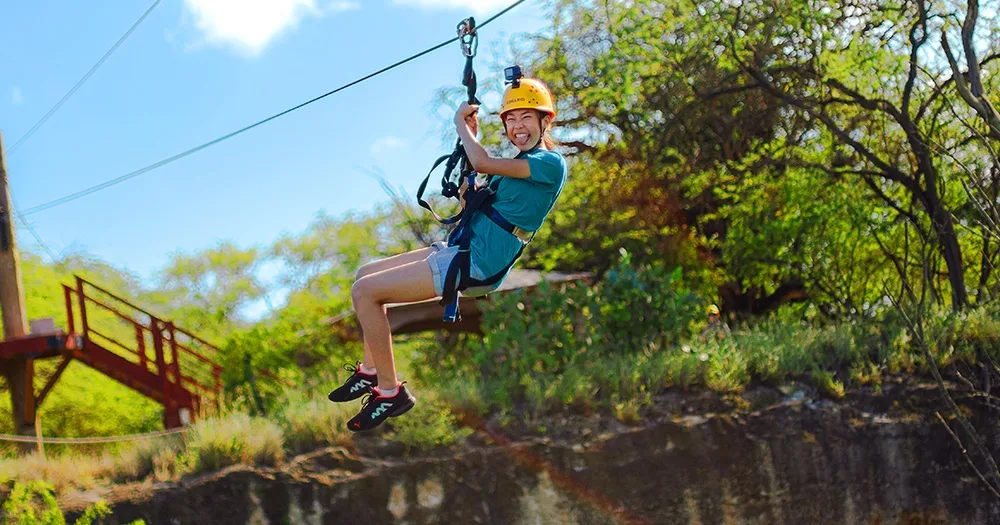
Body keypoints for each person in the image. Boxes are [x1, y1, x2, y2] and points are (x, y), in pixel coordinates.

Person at [327, 71, 568, 432]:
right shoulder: (515, 169)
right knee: (365, 275)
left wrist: (462, 126)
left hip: (475, 262)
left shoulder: (549, 163)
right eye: (511, 119)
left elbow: (484, 162)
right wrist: (468, 192)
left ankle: (390, 391)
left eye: (527, 118)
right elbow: (484, 188)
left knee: (365, 293)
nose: (518, 126)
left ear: (545, 121)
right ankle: (370, 371)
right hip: (462, 247)